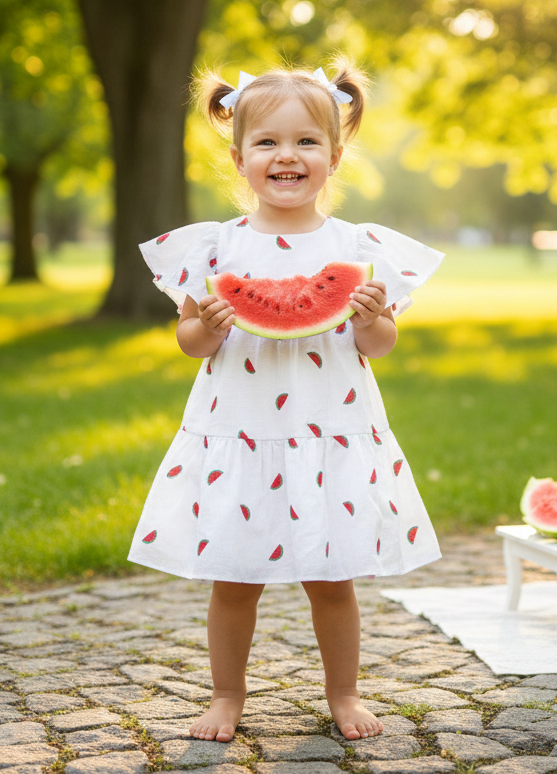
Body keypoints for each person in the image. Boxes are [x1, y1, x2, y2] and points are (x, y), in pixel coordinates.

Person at [128, 64, 444, 743]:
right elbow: (188, 339)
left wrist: (366, 318)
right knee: (234, 578)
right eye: (268, 143)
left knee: (333, 580)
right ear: (239, 156)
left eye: (306, 142)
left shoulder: (358, 249)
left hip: (327, 430)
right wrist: (207, 327)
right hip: (240, 435)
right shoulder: (215, 247)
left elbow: (381, 343)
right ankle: (225, 696)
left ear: (334, 155)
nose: (287, 156)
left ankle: (345, 692)